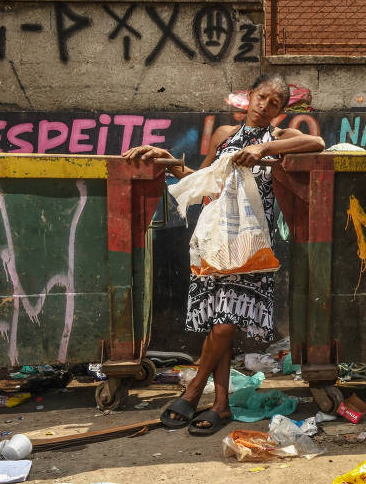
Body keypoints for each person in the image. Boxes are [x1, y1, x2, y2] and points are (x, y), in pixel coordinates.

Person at [123, 74, 324, 435]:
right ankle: (222, 405)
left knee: (226, 322)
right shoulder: (223, 136)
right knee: (219, 322)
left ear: (281, 111)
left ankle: (193, 389)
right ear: (249, 96)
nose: (265, 106)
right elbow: (202, 179)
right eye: (262, 97)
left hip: (250, 244)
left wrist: (263, 150)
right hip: (215, 240)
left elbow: (317, 142)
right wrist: (166, 159)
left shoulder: (278, 137)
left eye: (275, 104)